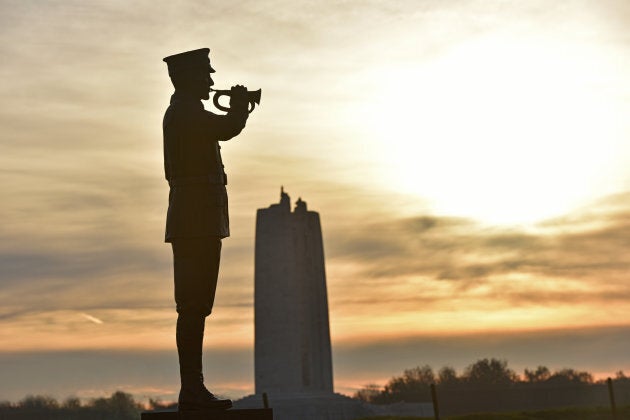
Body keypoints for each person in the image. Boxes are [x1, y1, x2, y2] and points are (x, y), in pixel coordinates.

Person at [162, 48, 249, 412]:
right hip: (195, 219)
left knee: (197, 306)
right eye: (205, 76)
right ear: (188, 78)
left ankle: (193, 388)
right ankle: (192, 390)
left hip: (200, 218)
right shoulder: (185, 112)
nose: (212, 81)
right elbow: (227, 129)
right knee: (194, 305)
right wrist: (239, 105)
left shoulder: (187, 111)